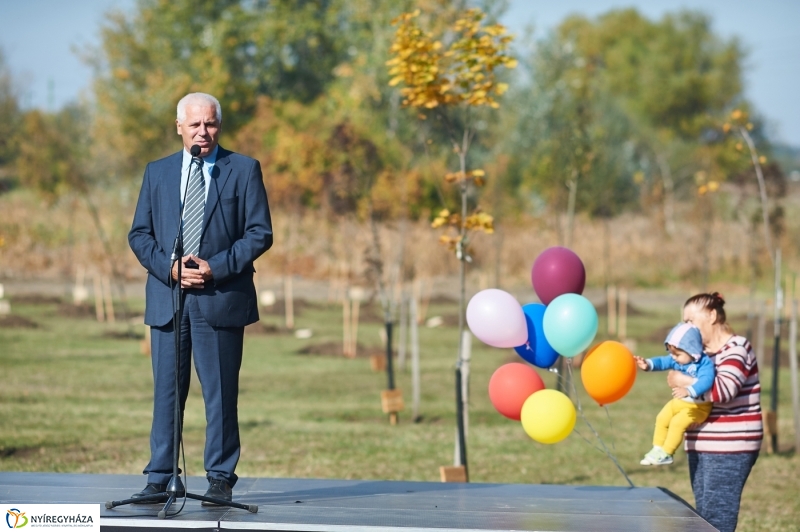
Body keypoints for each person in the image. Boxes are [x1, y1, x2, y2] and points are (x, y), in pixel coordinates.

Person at [128, 92, 273, 504]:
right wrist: (169, 269)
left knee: (221, 394)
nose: (202, 132)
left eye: (209, 124)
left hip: (221, 298)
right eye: (194, 125)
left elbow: (260, 232)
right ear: (179, 128)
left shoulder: (243, 170)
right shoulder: (157, 173)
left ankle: (220, 479)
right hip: (168, 299)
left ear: (219, 126)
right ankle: (159, 477)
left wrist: (216, 267)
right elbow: (139, 234)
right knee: (167, 393)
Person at [668, 292, 762, 532]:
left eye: (690, 320)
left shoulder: (737, 348)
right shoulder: (701, 357)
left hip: (730, 447)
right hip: (701, 445)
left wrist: (684, 381)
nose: (685, 327)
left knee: (716, 520)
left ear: (711, 315)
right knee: (703, 518)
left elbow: (723, 391)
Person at [634, 323, 714, 466]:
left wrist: (688, 390)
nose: (674, 357)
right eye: (672, 353)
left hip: (698, 408)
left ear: (692, 350)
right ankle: (657, 449)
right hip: (679, 403)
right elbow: (663, 361)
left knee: (677, 423)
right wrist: (648, 364)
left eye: (677, 354)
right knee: (662, 417)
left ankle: (667, 453)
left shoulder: (704, 364)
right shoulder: (678, 359)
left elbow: (707, 381)